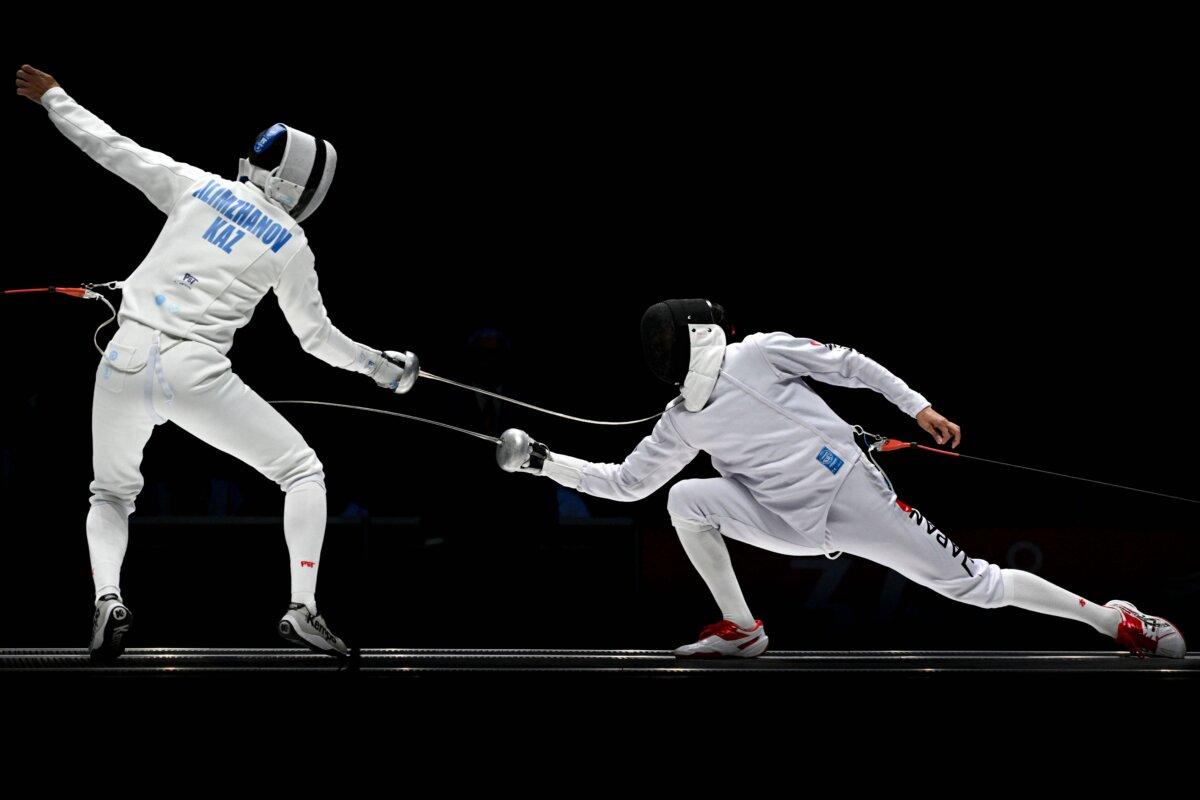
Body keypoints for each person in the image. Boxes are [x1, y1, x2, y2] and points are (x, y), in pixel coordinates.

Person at [497, 299, 1186, 659]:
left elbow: (849, 365)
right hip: (789, 523)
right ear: (701, 332)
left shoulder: (756, 358)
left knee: (975, 586)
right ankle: (744, 628)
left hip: (854, 496)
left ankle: (1112, 619)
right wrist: (543, 462)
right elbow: (627, 485)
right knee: (686, 499)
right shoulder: (684, 416)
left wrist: (914, 404)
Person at [15, 65, 419, 660]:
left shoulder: (196, 185)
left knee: (110, 495)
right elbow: (317, 340)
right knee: (302, 472)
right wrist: (381, 369)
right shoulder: (290, 242)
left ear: (264, 168)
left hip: (122, 361)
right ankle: (302, 607)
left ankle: (108, 598)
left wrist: (55, 97)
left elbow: (113, 148)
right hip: (193, 373)